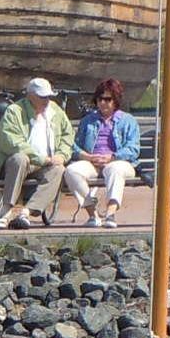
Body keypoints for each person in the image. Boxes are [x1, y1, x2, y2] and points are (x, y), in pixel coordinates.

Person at [0, 76, 74, 230]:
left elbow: (67, 135)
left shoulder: (55, 111)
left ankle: (26, 211)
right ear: (30, 95)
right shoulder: (14, 111)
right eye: (42, 97)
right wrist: (41, 159)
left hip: (46, 163)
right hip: (17, 164)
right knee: (20, 158)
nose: (47, 100)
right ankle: (7, 209)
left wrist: (62, 155)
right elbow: (12, 142)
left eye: (49, 96)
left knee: (59, 169)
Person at [63, 78, 140, 227]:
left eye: (107, 99)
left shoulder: (128, 120)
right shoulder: (88, 121)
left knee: (114, 169)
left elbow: (133, 149)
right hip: (93, 162)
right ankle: (93, 214)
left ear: (116, 100)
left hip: (120, 162)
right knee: (71, 171)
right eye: (100, 99)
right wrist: (87, 156)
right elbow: (74, 146)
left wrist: (112, 157)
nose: (103, 103)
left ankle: (110, 214)